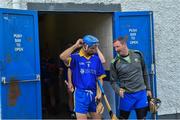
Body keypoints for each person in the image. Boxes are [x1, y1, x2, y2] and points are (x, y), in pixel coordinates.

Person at [60, 35, 106, 119]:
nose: (94, 50)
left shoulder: (96, 59)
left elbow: (100, 78)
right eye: (92, 48)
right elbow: (62, 57)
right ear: (85, 46)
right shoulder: (75, 57)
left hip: (94, 94)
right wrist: (75, 46)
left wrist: (99, 93)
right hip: (81, 95)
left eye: (95, 48)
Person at [110, 36, 152, 119]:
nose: (116, 50)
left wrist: (148, 88)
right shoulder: (114, 62)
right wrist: (118, 90)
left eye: (117, 46)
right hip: (126, 96)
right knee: (123, 118)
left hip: (141, 94)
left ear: (124, 44)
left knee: (142, 118)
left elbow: (145, 72)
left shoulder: (138, 54)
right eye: (114, 47)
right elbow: (113, 81)